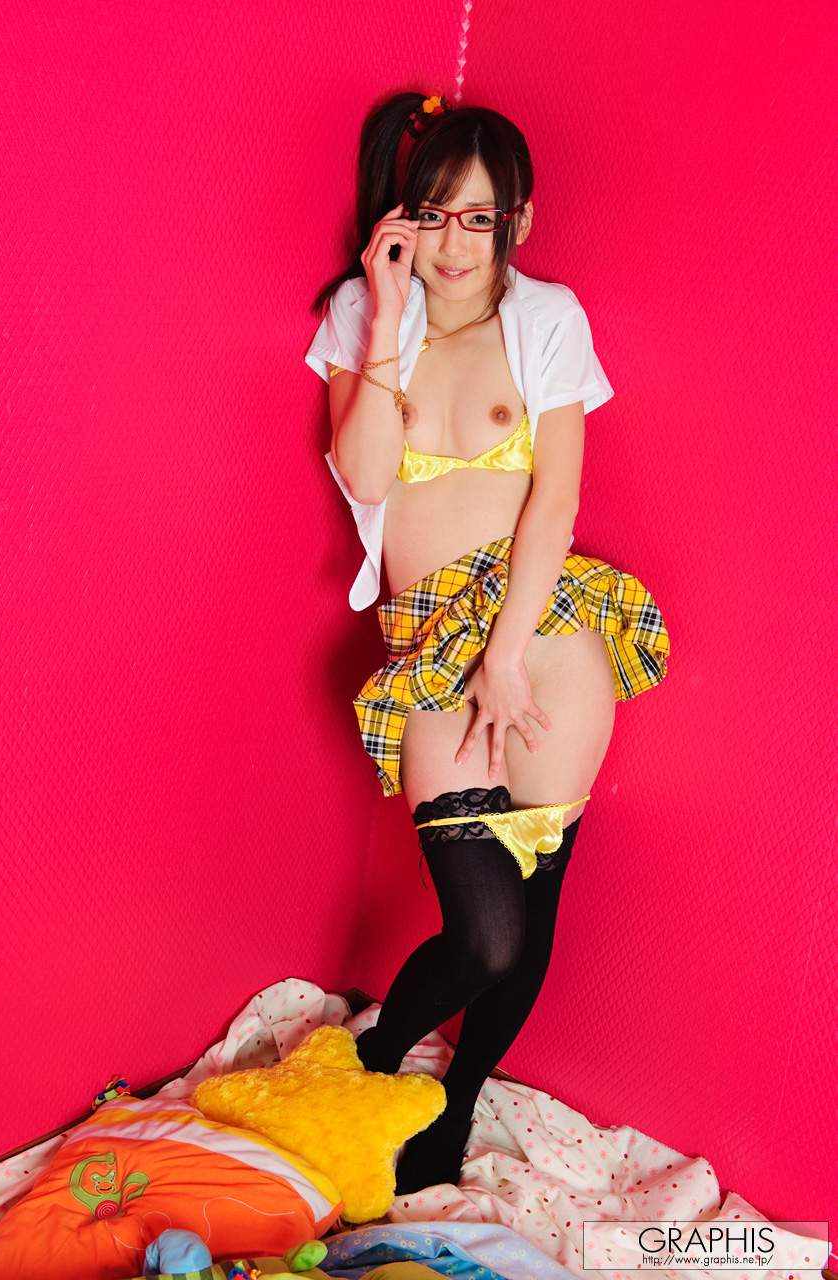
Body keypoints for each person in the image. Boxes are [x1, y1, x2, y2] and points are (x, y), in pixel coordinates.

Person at [304, 91, 670, 1195]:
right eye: (434, 215)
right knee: (485, 936)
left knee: (535, 904)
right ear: (402, 219)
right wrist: (384, 309)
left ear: (519, 220)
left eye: (480, 218)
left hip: (542, 627)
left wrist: (506, 656)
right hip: (430, 638)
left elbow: (555, 503)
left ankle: (458, 1101)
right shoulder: (364, 313)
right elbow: (366, 474)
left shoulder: (548, 318)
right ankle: (372, 1063)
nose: (456, 244)